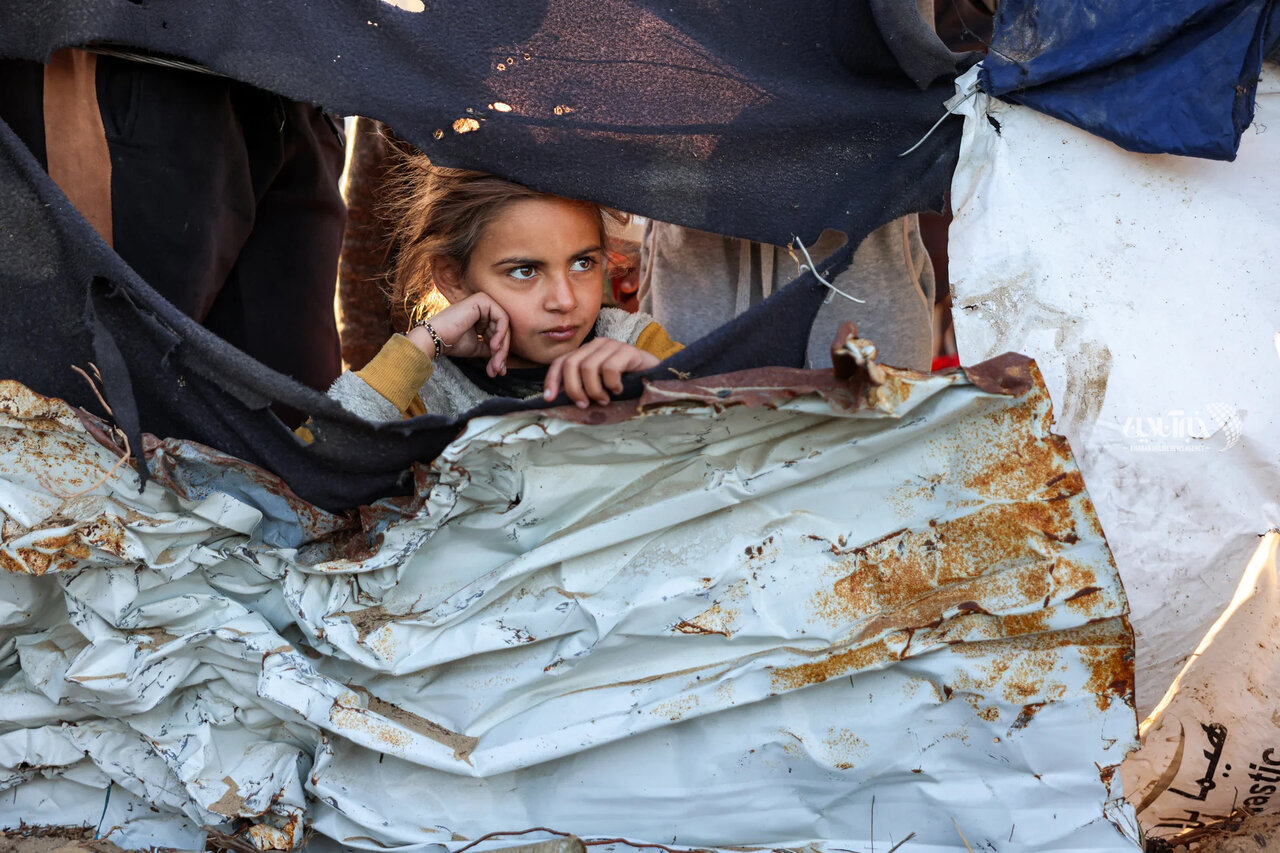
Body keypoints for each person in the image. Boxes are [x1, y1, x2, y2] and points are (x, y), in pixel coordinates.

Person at [322, 160, 683, 424]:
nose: (565, 300)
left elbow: (733, 437)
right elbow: (319, 463)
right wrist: (422, 343)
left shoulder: (637, 344)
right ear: (452, 278)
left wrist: (663, 384)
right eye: (525, 271)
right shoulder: (425, 390)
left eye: (582, 264)